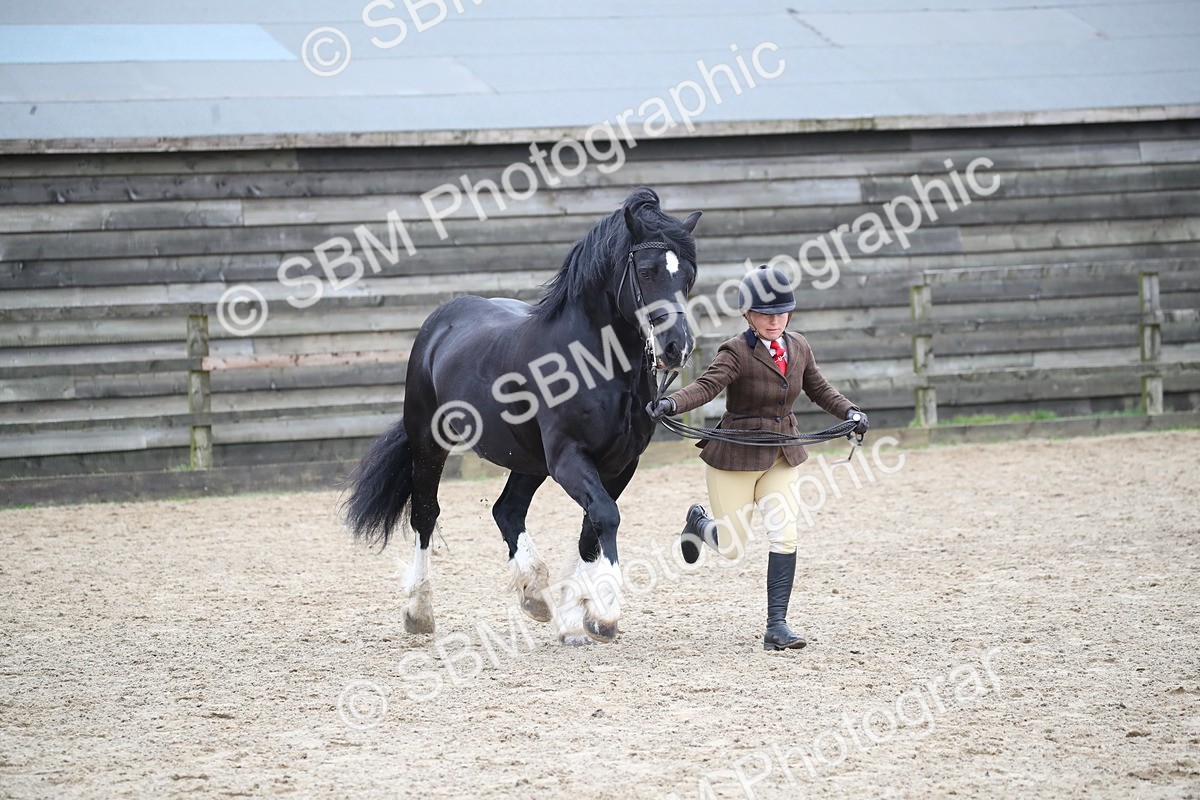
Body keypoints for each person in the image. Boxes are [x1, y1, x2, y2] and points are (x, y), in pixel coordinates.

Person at [646, 265, 869, 651]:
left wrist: (851, 412)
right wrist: (670, 402)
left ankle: (776, 626)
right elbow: (705, 387)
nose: (774, 320)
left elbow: (819, 388)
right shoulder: (735, 352)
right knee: (732, 547)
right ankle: (699, 523)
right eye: (765, 314)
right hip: (736, 457)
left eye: (781, 313)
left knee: (785, 533)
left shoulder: (799, 347)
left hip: (782, 453)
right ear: (748, 315)